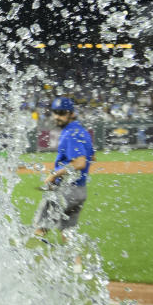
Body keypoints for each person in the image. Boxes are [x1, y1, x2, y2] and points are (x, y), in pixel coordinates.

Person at [33, 96, 94, 270]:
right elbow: (92, 156)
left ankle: (35, 265)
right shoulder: (82, 131)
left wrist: (54, 175)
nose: (57, 117)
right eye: (55, 113)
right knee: (67, 231)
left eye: (62, 113)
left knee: (40, 229)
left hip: (65, 190)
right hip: (80, 191)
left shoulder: (70, 133)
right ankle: (77, 267)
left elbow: (80, 163)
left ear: (71, 113)